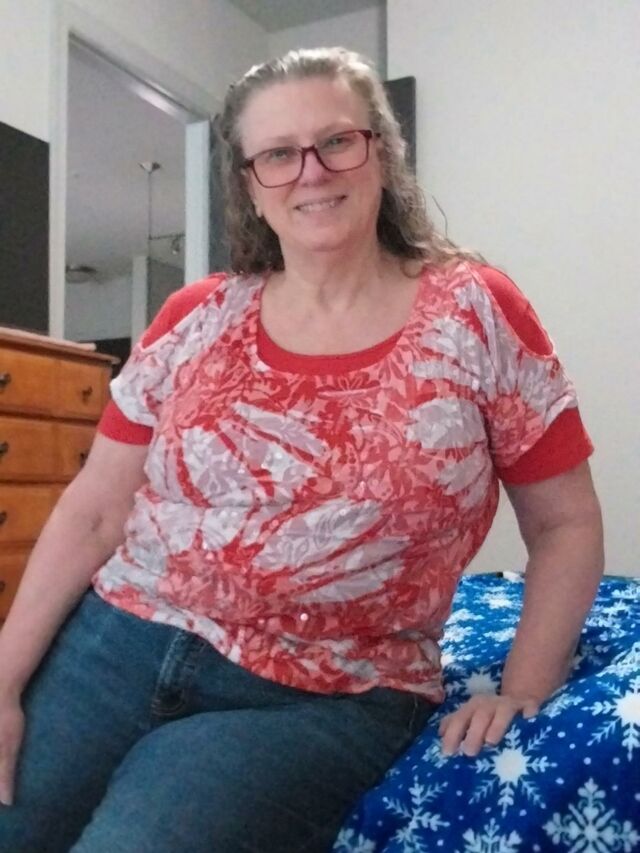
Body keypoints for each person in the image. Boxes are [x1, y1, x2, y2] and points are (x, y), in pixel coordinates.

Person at [0, 47, 603, 853]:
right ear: (250, 184)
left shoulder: (476, 312)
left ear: (381, 152)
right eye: (279, 154)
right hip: (116, 642)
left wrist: (525, 688)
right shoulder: (195, 316)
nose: (311, 171)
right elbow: (94, 513)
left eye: (337, 141)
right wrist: (4, 677)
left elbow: (565, 523)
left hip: (320, 696)